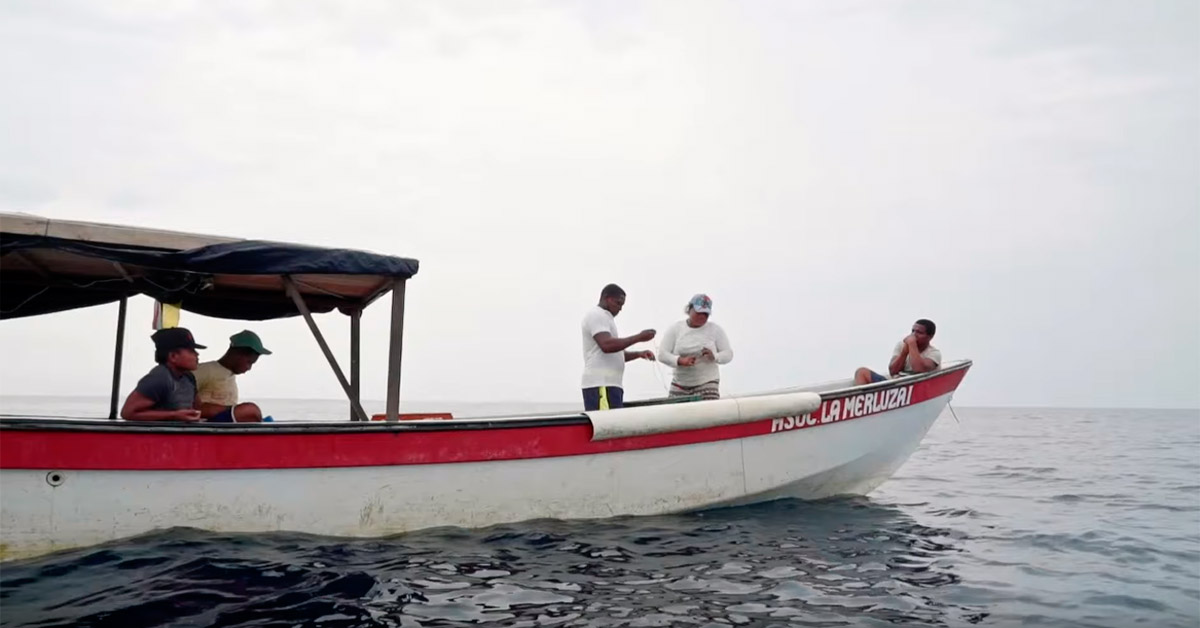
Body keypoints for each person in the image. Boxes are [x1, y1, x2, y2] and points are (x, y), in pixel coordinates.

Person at [581, 283, 656, 411]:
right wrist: (639, 337)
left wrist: (639, 354)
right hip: (601, 384)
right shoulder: (596, 315)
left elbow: (615, 353)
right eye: (618, 303)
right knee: (607, 426)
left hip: (612, 385)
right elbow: (607, 345)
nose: (620, 308)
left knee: (614, 426)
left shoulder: (607, 319)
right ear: (606, 298)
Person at [656, 294, 733, 400]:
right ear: (689, 309)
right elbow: (662, 354)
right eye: (699, 313)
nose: (702, 317)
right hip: (680, 383)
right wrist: (679, 360)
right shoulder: (676, 329)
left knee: (706, 413)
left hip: (707, 381)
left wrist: (714, 356)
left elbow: (728, 354)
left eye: (705, 314)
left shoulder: (715, 330)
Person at [120, 327, 206, 422]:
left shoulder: (189, 377)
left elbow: (197, 407)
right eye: (191, 351)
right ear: (173, 356)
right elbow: (128, 413)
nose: (197, 354)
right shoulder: (159, 378)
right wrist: (174, 415)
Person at [194, 330, 272, 423]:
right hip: (207, 427)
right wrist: (235, 410)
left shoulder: (230, 376)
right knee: (250, 410)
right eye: (249, 362)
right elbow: (186, 405)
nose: (249, 368)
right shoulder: (205, 370)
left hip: (227, 429)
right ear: (237, 353)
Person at [854, 319, 942, 385]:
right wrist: (904, 352)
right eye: (913, 331)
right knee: (861, 372)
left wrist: (912, 346)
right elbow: (893, 371)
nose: (913, 335)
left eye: (919, 332)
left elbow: (919, 369)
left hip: (915, 387)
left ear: (930, 336)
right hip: (895, 388)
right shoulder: (901, 345)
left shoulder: (934, 353)